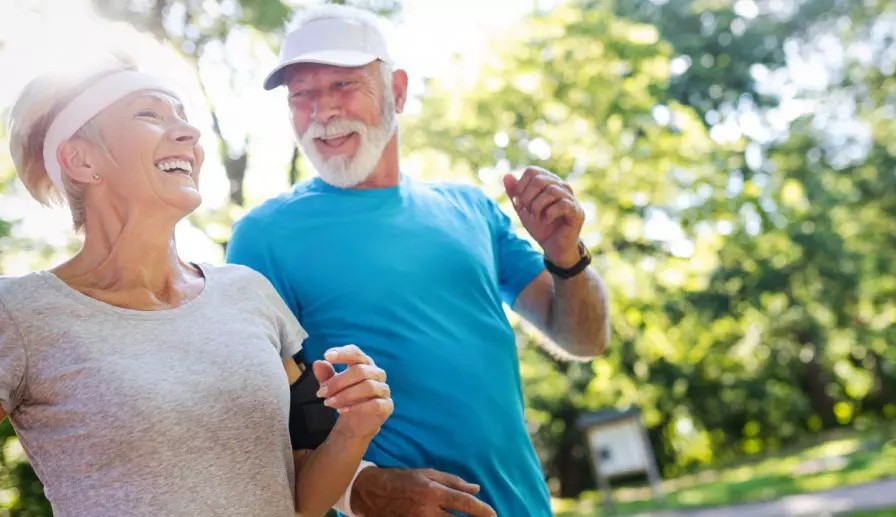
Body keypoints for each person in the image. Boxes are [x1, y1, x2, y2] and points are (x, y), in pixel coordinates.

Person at [226, 5, 611, 516]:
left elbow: (585, 339)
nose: (321, 112)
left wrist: (567, 256)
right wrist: (362, 489)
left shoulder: (470, 208)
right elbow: (254, 427)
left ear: (398, 91)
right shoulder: (263, 236)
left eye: (343, 85)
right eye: (302, 95)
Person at [1, 51, 393, 517]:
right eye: (149, 113)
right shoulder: (21, 313)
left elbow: (300, 503)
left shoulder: (250, 293)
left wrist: (353, 430)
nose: (190, 133)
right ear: (82, 160)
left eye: (184, 118)